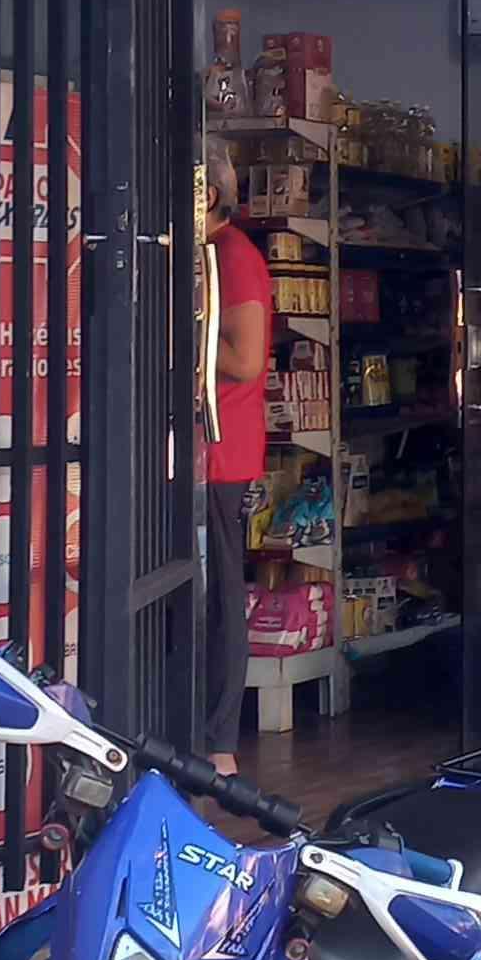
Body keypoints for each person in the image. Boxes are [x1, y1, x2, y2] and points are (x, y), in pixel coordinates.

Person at [203, 142, 273, 768]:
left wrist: (181, 337)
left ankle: (219, 743)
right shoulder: (209, 254)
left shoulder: (235, 257)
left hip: (223, 450)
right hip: (205, 448)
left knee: (222, 596)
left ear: (209, 194)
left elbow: (246, 360)